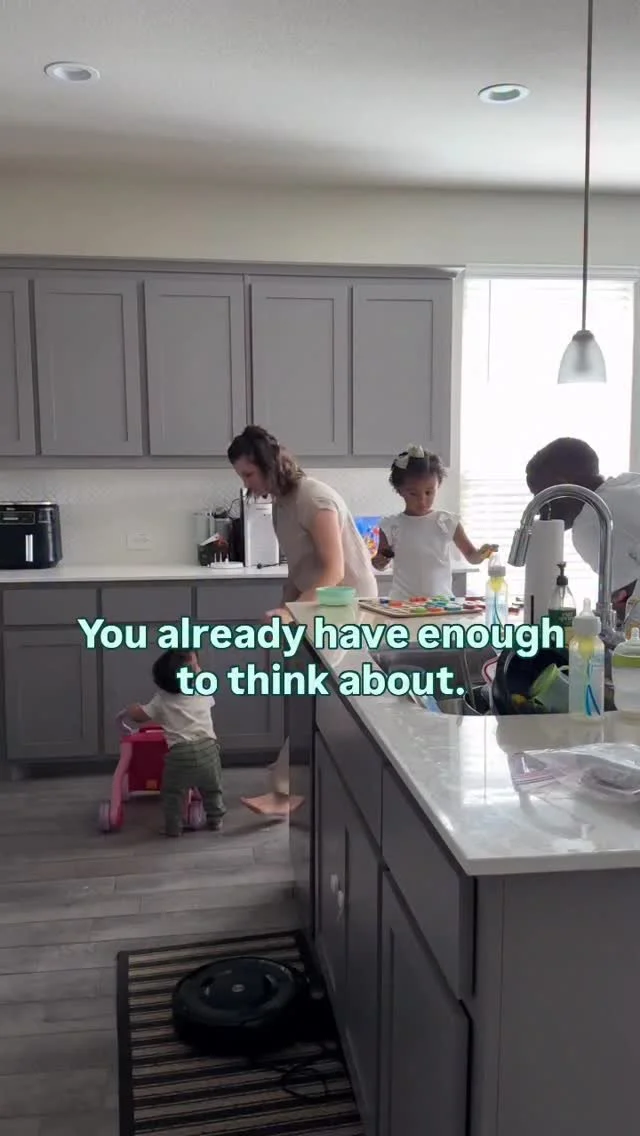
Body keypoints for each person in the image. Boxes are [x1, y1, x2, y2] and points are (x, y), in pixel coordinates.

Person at [227, 425, 377, 817]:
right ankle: (296, 785)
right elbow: (300, 569)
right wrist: (285, 607)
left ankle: (288, 791)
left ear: (268, 465)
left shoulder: (315, 498)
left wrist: (292, 611)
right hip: (318, 607)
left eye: (248, 474)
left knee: (320, 699)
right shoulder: (282, 504)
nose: (246, 484)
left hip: (346, 607)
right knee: (312, 698)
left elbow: (333, 570)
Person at [525, 437, 640, 619]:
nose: (541, 508)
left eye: (541, 493)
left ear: (562, 484)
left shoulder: (592, 521)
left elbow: (625, 603)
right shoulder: (628, 482)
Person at [121, 649, 225, 837]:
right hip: (209, 750)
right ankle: (216, 819)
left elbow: (140, 716)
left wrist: (132, 709)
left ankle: (173, 827)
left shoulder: (161, 699)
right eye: (196, 666)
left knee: (173, 793)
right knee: (212, 789)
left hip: (180, 755)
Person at [372, 445, 497, 599]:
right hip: (403, 604)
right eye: (413, 493)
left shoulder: (447, 522)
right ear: (399, 490)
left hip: (441, 603)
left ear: (438, 486)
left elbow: (472, 557)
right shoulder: (390, 526)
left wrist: (483, 553)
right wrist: (379, 562)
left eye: (429, 492)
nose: (422, 500)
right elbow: (381, 563)